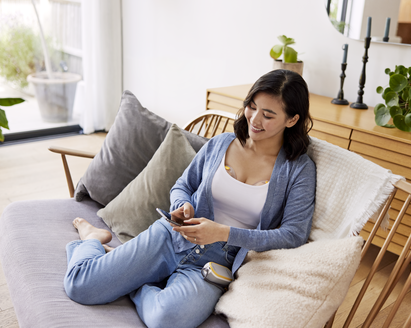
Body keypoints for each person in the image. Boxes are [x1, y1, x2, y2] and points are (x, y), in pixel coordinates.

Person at [64, 69, 316, 328]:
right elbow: (183, 185)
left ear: (292, 119)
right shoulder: (221, 144)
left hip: (215, 264)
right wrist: (182, 205)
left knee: (166, 320)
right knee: (79, 285)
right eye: (252, 107)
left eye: (268, 114)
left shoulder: (298, 169)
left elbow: (293, 234)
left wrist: (224, 233)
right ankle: (94, 240)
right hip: (170, 238)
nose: (255, 119)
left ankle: (136, 279)